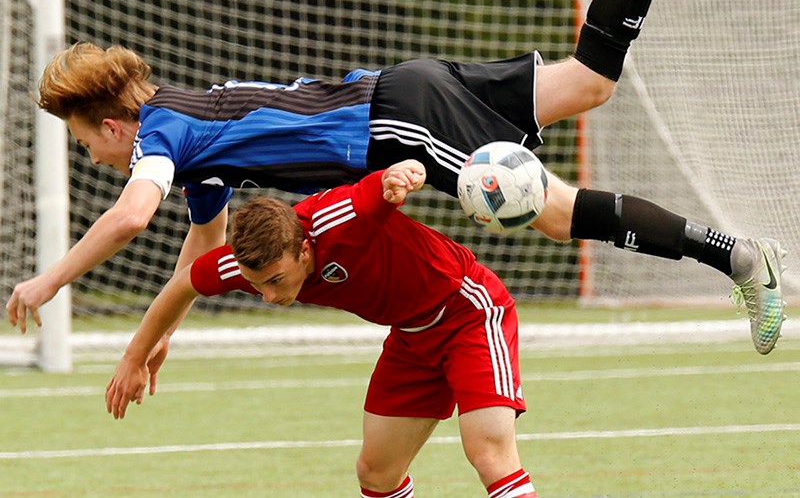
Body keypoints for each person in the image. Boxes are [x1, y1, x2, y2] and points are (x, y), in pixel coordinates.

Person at [7, 0, 785, 354]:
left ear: (112, 125)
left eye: (82, 142)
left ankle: (737, 258)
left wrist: (49, 281)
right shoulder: (196, 149)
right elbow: (198, 259)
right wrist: (154, 342)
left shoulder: (161, 133)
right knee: (589, 84)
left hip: (391, 123)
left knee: (551, 214)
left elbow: (129, 220)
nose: (89, 156)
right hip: (400, 90)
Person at [106, 160, 538, 497]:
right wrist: (140, 353)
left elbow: (386, 182)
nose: (270, 297)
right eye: (258, 287)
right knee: (377, 472)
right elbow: (182, 284)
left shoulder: (339, 218)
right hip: (411, 336)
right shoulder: (249, 261)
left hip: (468, 311)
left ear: (305, 248)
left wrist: (404, 174)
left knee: (487, 453)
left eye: (276, 281)